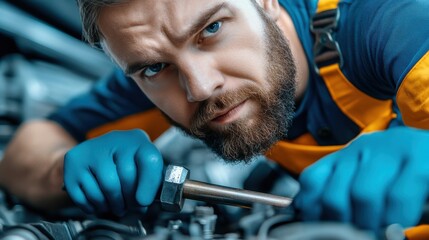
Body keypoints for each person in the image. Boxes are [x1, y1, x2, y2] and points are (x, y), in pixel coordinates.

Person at [0, 0, 428, 237]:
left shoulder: (386, 24)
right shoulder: (160, 73)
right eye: (152, 67)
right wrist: (64, 168)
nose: (200, 87)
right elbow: (25, 152)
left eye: (212, 29)